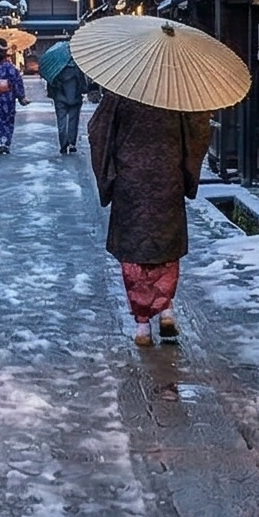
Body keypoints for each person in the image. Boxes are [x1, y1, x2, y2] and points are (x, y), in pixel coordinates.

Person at [89, 93, 214, 346]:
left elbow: (98, 131)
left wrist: (108, 177)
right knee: (166, 247)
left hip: (131, 181)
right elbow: (199, 130)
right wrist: (187, 175)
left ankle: (142, 325)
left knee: (134, 254)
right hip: (167, 177)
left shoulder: (121, 92)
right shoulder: (176, 93)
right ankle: (166, 308)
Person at [45, 53, 88, 155]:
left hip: (60, 98)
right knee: (73, 121)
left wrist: (52, 93)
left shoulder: (55, 68)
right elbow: (83, 85)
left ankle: (63, 144)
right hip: (75, 98)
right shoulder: (77, 67)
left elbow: (50, 82)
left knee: (61, 122)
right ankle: (72, 143)